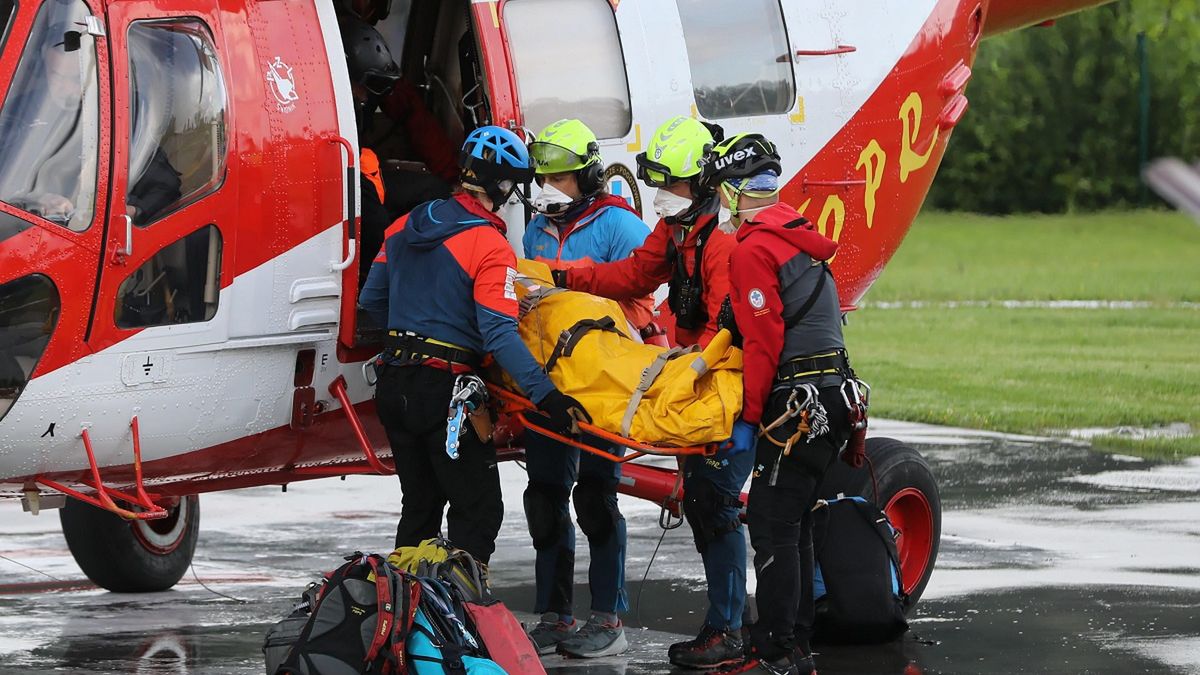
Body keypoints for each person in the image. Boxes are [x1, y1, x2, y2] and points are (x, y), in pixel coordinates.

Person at [552, 116, 752, 669]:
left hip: (729, 382)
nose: (663, 196)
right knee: (707, 503)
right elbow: (631, 276)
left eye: (674, 185)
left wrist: (684, 376)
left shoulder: (722, 243)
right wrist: (565, 279)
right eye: (659, 183)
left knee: (715, 503)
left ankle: (729, 630)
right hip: (699, 372)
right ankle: (732, 623)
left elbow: (725, 329)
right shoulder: (680, 231)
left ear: (707, 183)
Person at [358, 125, 591, 564]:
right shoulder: (490, 244)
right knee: (478, 511)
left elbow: (371, 300)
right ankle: (460, 616)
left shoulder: (405, 224)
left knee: (420, 508)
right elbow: (498, 334)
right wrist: (548, 398)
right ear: (502, 186)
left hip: (395, 385)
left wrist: (418, 324)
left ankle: (409, 614)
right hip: (446, 395)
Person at [705, 134, 863, 675]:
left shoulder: (753, 249)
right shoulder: (798, 235)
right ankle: (792, 649)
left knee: (771, 525)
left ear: (732, 193)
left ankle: (773, 653)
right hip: (835, 399)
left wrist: (749, 420)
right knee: (791, 523)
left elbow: (764, 342)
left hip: (796, 407)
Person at [520, 119, 650, 659]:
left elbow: (646, 295)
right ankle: (554, 615)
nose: (552, 188)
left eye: (562, 178)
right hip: (548, 385)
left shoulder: (619, 226)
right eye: (545, 178)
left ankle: (607, 617)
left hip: (603, 385)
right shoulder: (536, 229)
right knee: (544, 499)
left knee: (596, 497)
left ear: (587, 175)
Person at [340, 17, 456, 281]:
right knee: (375, 227)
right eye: (362, 88)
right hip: (348, 176)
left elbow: (413, 117)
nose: (366, 97)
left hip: (363, 171)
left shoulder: (364, 101)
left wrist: (452, 175)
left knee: (436, 191)